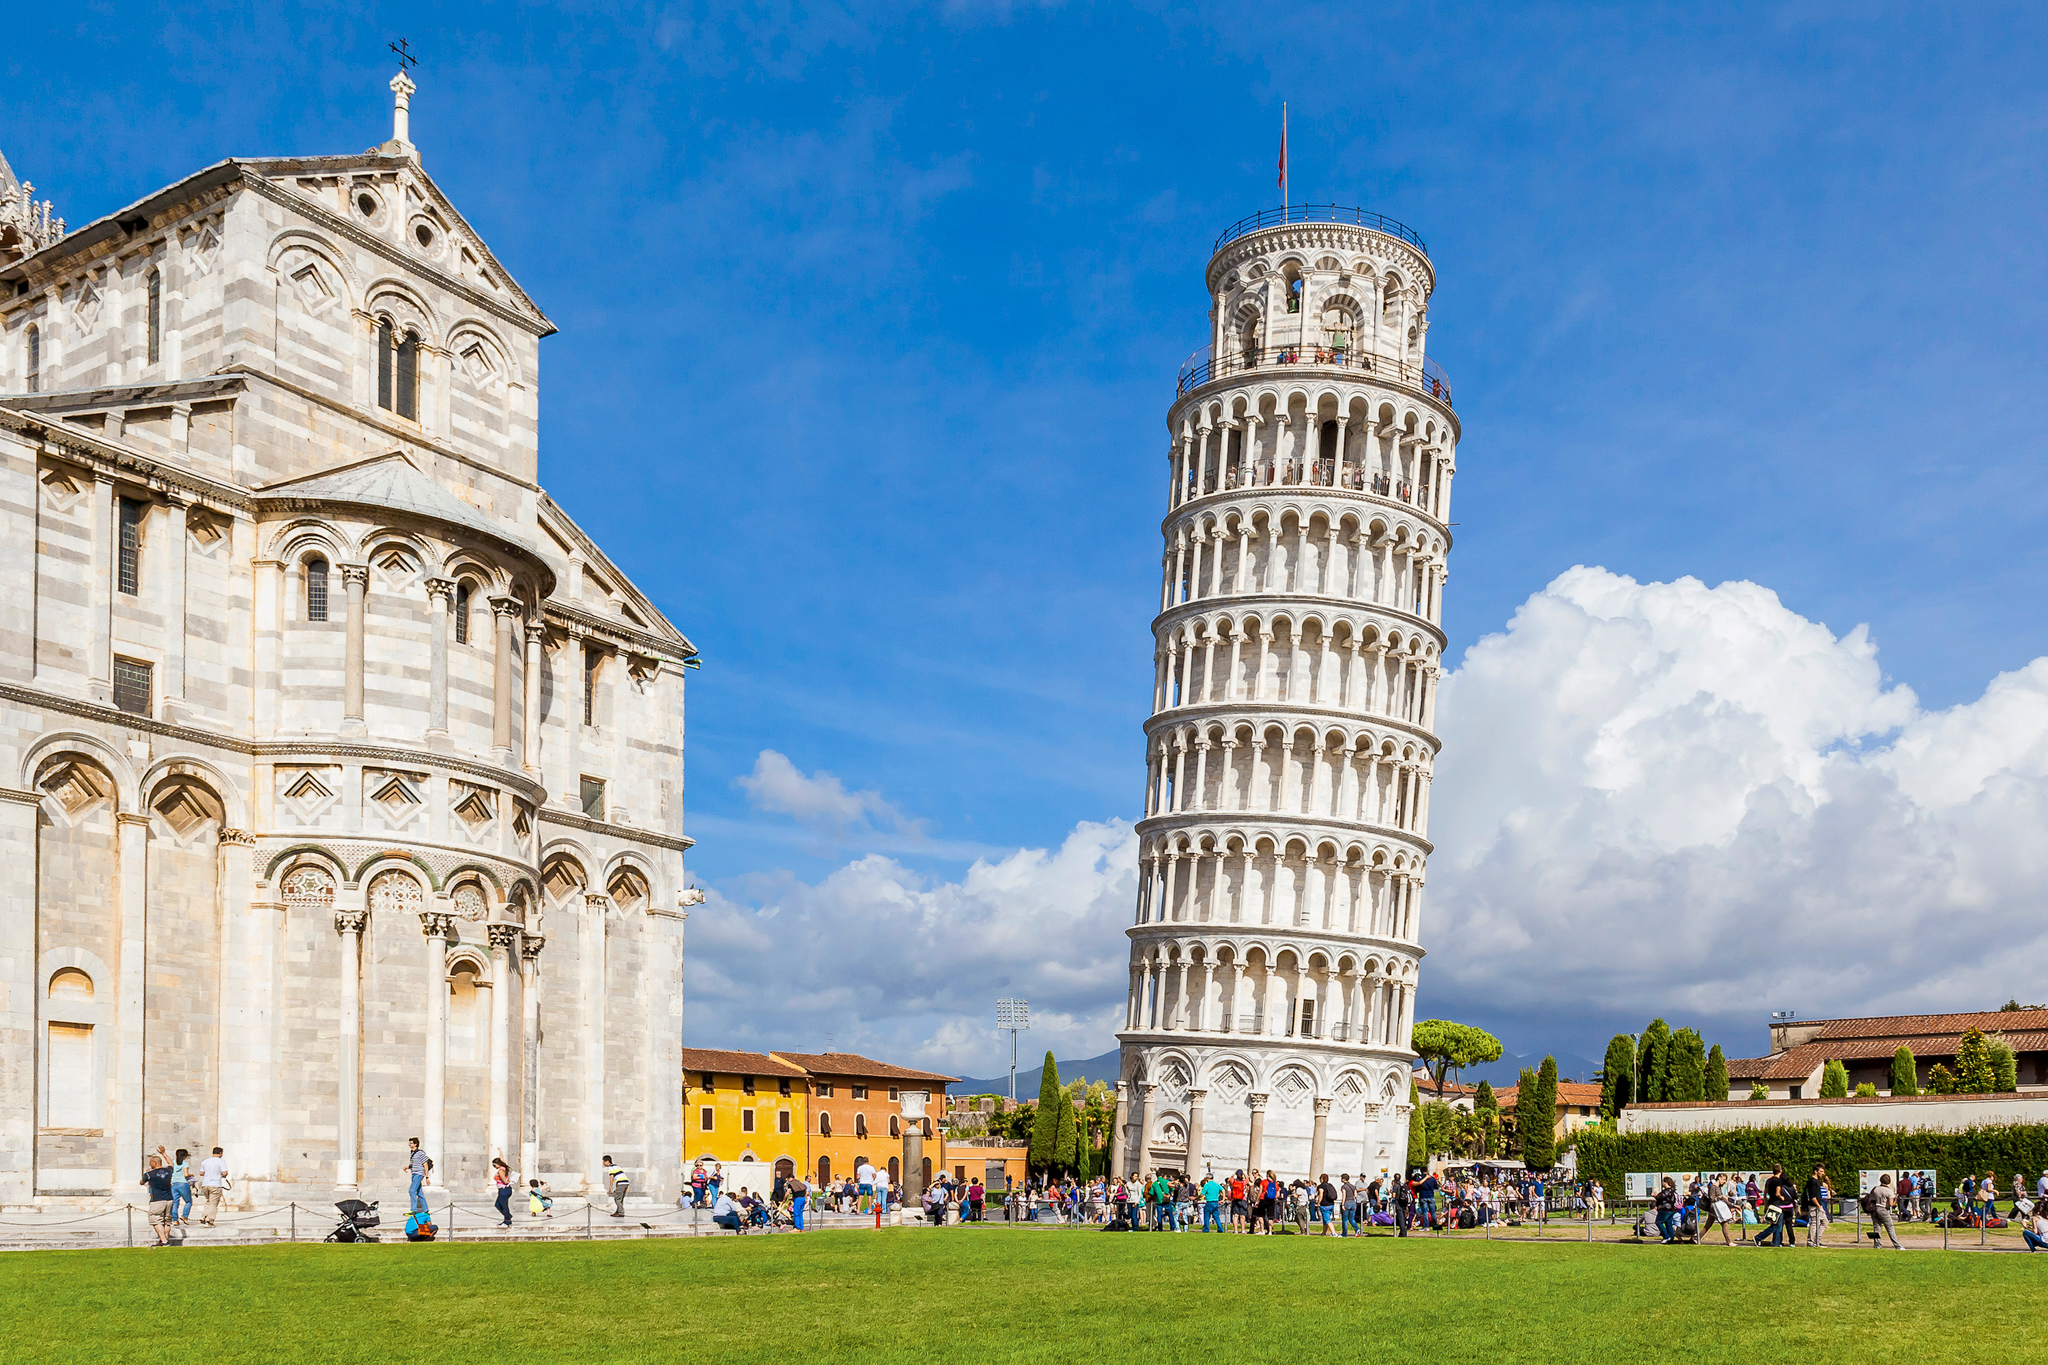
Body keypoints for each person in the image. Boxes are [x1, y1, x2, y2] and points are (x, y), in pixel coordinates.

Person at [140, 1153, 177, 1247]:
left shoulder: (149, 1174)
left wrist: (146, 1173)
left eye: (150, 1163)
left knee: (155, 1219)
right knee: (167, 1220)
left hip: (157, 1199)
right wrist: (164, 1153)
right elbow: (171, 1163)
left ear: (154, 1163)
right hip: (169, 1198)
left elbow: (141, 1182)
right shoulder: (168, 1171)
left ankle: (164, 1241)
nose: (150, 1164)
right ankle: (164, 1239)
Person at [197, 1147, 228, 1226]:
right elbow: (224, 1173)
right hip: (215, 1184)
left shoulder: (205, 1161)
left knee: (209, 1201)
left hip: (205, 1184)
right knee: (213, 1203)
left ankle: (204, 1215)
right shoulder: (221, 1162)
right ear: (220, 1153)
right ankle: (209, 1220)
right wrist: (220, 1174)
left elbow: (201, 1173)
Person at [1803, 1165, 1830, 1247]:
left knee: (1824, 1221)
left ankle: (1817, 1240)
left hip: (1818, 1205)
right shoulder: (1812, 1182)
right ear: (1815, 1171)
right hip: (1814, 1206)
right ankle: (1810, 1242)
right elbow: (1812, 1196)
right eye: (1821, 1171)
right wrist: (1818, 1205)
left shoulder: (1817, 1181)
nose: (1823, 1173)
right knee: (1814, 1223)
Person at [405, 1138, 431, 1217]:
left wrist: (427, 1177)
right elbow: (415, 1164)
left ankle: (413, 1210)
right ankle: (426, 1210)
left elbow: (425, 1164)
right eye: (409, 1143)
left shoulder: (420, 1153)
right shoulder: (413, 1153)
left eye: (411, 1143)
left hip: (418, 1174)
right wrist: (407, 1167)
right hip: (414, 1174)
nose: (410, 1145)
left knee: (412, 1190)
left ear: (415, 1144)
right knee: (419, 1193)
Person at [170, 1149, 194, 1227]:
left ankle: (174, 1220)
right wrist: (191, 1175)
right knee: (188, 1201)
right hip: (183, 1183)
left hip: (174, 1184)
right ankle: (184, 1216)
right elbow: (186, 1174)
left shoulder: (173, 1163)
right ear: (185, 1156)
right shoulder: (185, 1164)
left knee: (175, 1202)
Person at [1654, 1176, 1681, 1242]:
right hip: (1672, 1210)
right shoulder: (1672, 1191)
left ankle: (1666, 1236)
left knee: (1658, 1222)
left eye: (1663, 1182)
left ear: (1666, 1183)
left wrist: (1655, 1195)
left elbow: (1660, 1197)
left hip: (1665, 1209)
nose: (1662, 1183)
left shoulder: (1667, 1191)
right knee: (1668, 1223)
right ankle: (1671, 1238)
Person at [492, 1156, 514, 1227]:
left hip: (504, 1190)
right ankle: (508, 1216)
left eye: (494, 1165)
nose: (494, 1166)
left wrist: (509, 1180)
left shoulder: (501, 1171)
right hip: (504, 1190)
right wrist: (500, 1150)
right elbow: (502, 1159)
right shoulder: (504, 1168)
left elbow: (505, 1181)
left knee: (504, 1205)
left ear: (498, 1164)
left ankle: (507, 1221)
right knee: (498, 1204)